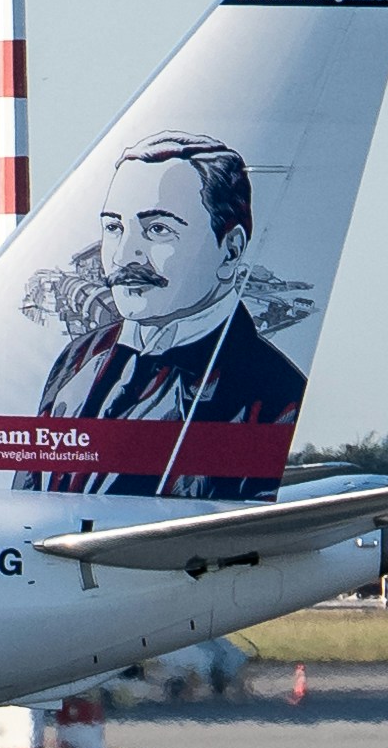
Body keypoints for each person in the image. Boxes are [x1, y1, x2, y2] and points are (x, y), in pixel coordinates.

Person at [29, 133, 311, 492]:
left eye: (157, 229)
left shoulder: (271, 396)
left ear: (230, 250)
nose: (123, 255)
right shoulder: (77, 359)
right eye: (114, 227)